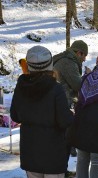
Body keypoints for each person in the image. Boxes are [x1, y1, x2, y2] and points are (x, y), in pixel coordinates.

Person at [10, 45, 73, 178]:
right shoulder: (56, 89)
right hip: (53, 154)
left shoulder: (21, 86)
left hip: (30, 152)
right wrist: (71, 115)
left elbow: (15, 116)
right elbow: (64, 121)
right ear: (50, 65)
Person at [53, 40, 89, 158]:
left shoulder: (65, 60)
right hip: (64, 103)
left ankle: (62, 170)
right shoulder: (69, 62)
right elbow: (77, 85)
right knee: (64, 140)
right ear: (79, 53)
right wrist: (88, 75)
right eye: (84, 56)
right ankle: (61, 172)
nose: (84, 59)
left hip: (60, 102)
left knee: (63, 139)